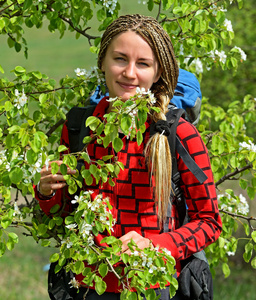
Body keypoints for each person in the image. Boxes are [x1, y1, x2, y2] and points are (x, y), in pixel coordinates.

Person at [35, 14, 222, 300]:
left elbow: (208, 221)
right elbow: (65, 214)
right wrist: (46, 192)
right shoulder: (78, 127)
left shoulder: (178, 134)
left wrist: (154, 244)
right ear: (103, 63)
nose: (130, 73)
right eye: (120, 59)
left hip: (151, 285)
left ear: (158, 72)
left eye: (143, 63)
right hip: (86, 287)